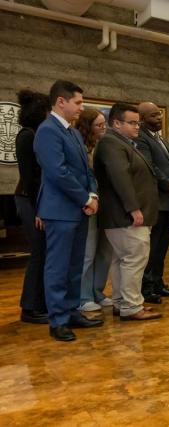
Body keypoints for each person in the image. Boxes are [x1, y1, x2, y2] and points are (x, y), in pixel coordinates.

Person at [34, 80, 103, 341]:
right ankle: (58, 320)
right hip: (61, 210)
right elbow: (57, 173)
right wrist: (85, 198)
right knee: (58, 268)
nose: (81, 108)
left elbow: (86, 170)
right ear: (61, 102)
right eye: (78, 103)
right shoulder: (47, 130)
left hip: (79, 208)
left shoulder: (73, 132)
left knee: (75, 266)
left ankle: (73, 311)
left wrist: (93, 194)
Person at [93, 103, 161, 321]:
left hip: (124, 215)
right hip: (125, 216)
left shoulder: (122, 143)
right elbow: (120, 178)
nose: (137, 127)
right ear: (116, 123)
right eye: (132, 123)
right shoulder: (112, 144)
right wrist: (134, 208)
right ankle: (131, 306)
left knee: (122, 260)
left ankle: (123, 302)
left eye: (137, 123)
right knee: (134, 258)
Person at [136, 102, 169, 303]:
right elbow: (150, 166)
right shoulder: (141, 138)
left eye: (159, 115)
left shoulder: (161, 138)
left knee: (163, 246)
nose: (159, 119)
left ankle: (158, 283)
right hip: (157, 199)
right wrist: (168, 185)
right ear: (143, 118)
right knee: (153, 247)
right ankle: (147, 288)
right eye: (154, 116)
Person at [14, 89, 50, 324]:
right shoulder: (27, 136)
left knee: (43, 252)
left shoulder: (35, 133)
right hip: (29, 199)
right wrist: (41, 210)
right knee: (38, 252)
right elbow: (31, 178)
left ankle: (39, 302)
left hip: (33, 199)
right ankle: (29, 307)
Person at [75, 108, 113, 312]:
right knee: (88, 253)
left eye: (104, 124)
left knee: (105, 252)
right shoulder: (80, 147)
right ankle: (83, 296)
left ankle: (98, 291)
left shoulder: (102, 145)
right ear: (87, 127)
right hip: (90, 204)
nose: (103, 128)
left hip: (107, 205)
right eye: (99, 125)